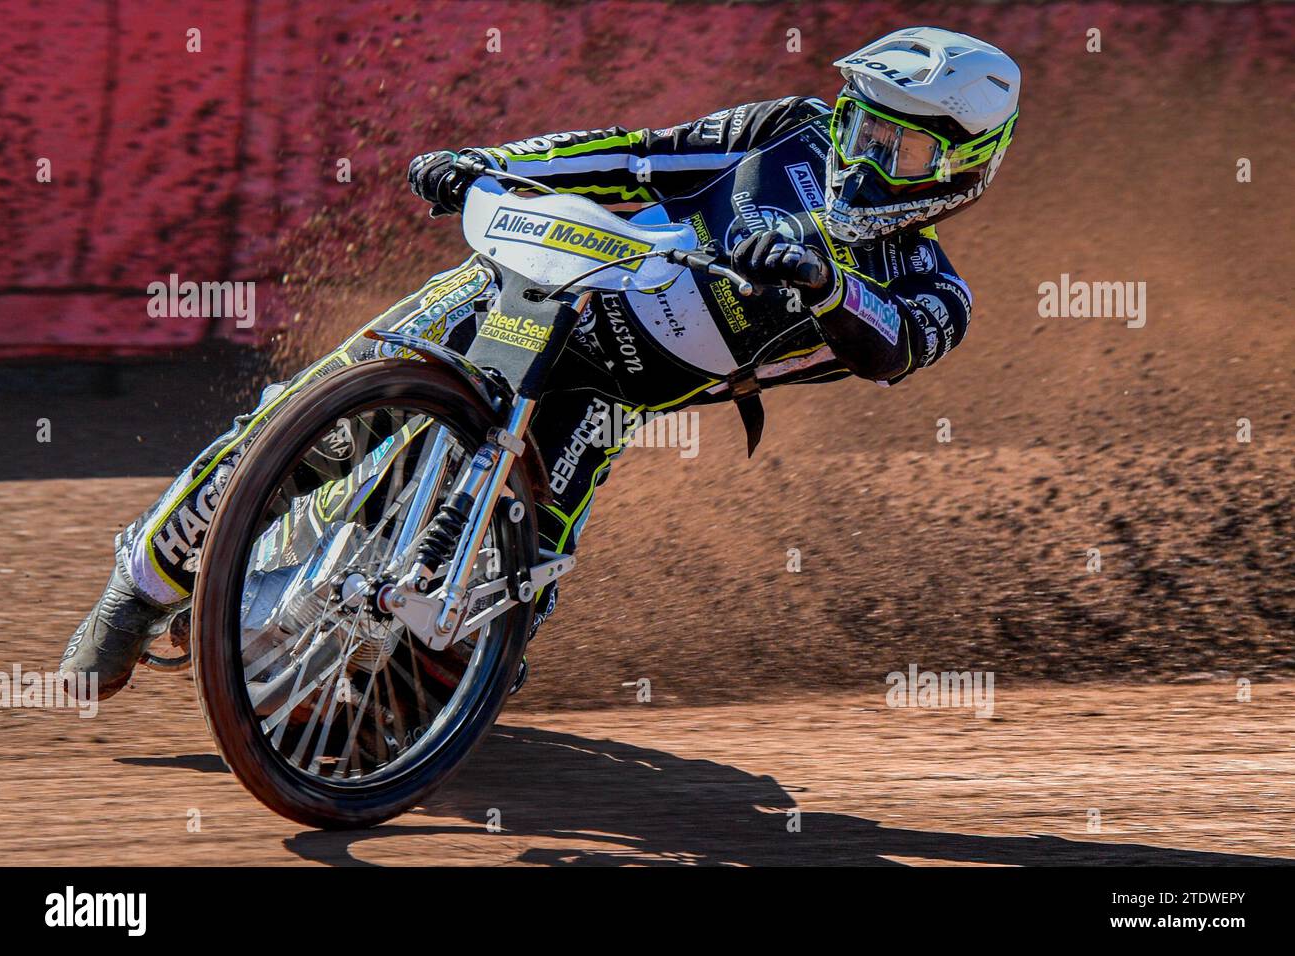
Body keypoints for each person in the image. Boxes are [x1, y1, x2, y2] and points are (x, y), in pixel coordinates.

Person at [60, 26, 1020, 702]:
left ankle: (421, 707)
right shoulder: (790, 132)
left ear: (957, 167)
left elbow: (889, 348)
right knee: (322, 419)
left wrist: (820, 280)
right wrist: (489, 162)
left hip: (606, 395)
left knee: (486, 645)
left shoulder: (936, 289)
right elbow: (641, 156)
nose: (857, 146)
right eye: (859, 118)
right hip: (538, 289)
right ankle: (138, 590)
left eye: (889, 139)